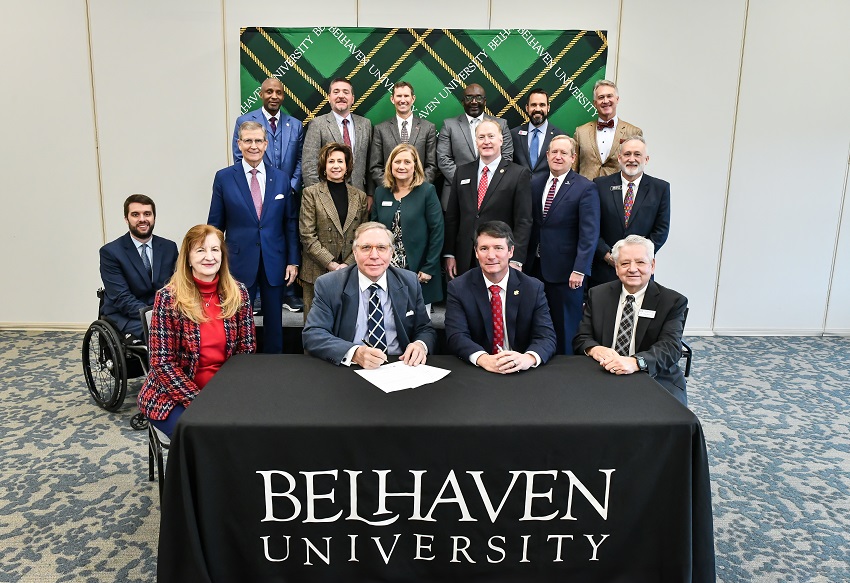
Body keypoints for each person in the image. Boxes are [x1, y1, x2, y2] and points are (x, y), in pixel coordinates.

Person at [138, 224, 256, 437]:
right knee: (204, 436)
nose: (209, 257)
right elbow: (162, 364)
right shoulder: (168, 298)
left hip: (225, 390)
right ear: (188, 258)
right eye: (200, 250)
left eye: (215, 249)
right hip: (173, 395)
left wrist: (227, 395)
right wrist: (200, 401)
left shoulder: (238, 294)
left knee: (255, 430)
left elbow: (246, 352)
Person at [208, 121, 299, 354]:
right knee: (237, 321)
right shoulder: (224, 178)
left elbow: (289, 222)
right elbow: (215, 225)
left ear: (266, 144)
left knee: (274, 324)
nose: (253, 146)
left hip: (274, 260)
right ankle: (240, 369)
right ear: (239, 144)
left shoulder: (280, 178)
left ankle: (274, 370)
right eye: (248, 141)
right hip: (237, 261)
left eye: (258, 140)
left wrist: (292, 261)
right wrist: (213, 262)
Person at [573, 235, 688, 406]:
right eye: (625, 263)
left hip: (653, 375)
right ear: (617, 268)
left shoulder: (672, 301)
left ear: (652, 265)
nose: (632, 269)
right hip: (604, 372)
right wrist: (594, 349)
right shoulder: (598, 295)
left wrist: (635, 362)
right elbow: (582, 337)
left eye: (640, 262)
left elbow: (670, 348)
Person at [302, 222, 436, 369]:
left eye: (381, 248)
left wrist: (420, 345)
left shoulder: (409, 281)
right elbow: (314, 334)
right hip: (351, 367)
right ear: (355, 253)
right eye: (366, 248)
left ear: (391, 253)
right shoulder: (330, 284)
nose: (374, 256)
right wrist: (354, 353)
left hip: (399, 366)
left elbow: (424, 329)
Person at [232, 76, 305, 312]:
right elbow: (238, 156)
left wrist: (290, 186)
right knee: (258, 238)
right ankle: (258, 296)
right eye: (269, 92)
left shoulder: (295, 124)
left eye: (279, 92)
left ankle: (287, 292)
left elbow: (302, 159)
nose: (274, 96)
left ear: (284, 96)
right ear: (261, 94)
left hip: (288, 191)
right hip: (255, 190)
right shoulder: (245, 121)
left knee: (285, 235)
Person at [445, 221, 557, 373]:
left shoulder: (532, 288)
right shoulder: (458, 288)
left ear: (511, 251)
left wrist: (528, 358)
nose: (491, 256)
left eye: (498, 248)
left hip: (521, 370)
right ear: (476, 253)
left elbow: (546, 337)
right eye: (484, 249)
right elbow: (456, 336)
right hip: (478, 370)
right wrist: (484, 359)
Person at [524, 135, 600, 354]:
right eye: (554, 152)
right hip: (535, 268)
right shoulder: (535, 183)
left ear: (573, 158)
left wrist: (580, 269)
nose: (558, 157)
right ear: (547, 155)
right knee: (536, 324)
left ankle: (566, 371)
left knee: (565, 327)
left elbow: (589, 234)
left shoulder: (585, 188)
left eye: (563, 153)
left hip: (567, 273)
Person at [443, 120, 532, 280]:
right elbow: (452, 217)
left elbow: (523, 221)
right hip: (466, 257)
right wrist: (450, 253)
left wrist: (517, 258)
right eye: (481, 137)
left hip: (500, 258)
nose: (486, 141)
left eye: (491, 136)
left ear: (501, 140)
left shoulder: (518, 174)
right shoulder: (462, 172)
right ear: (475, 141)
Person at [590, 136, 670, 287]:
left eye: (637, 154)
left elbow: (661, 230)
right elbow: (592, 227)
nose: (631, 159)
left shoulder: (660, 189)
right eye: (627, 154)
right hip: (604, 270)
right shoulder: (600, 185)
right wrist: (608, 256)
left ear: (646, 159)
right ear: (619, 158)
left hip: (639, 274)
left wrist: (638, 259)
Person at [299, 142, 369, 318]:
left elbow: (363, 236)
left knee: (346, 326)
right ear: (324, 166)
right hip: (317, 272)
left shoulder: (359, 196)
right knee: (315, 327)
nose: (336, 165)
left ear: (347, 166)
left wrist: (346, 265)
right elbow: (307, 235)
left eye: (340, 161)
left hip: (350, 271)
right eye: (331, 161)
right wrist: (331, 264)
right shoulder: (311, 193)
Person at [371, 143, 444, 309]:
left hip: (418, 272)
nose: (401, 166)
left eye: (407, 162)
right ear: (390, 165)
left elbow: (437, 232)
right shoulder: (381, 192)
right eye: (397, 162)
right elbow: (373, 231)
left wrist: (429, 267)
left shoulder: (427, 191)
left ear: (415, 166)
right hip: (385, 271)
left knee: (418, 326)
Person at [99, 194, 178, 342]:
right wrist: (156, 316)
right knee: (160, 333)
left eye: (147, 214)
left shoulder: (169, 247)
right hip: (126, 315)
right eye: (135, 214)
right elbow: (121, 298)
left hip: (162, 312)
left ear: (154, 217)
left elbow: (177, 286)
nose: (142, 219)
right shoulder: (111, 252)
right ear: (126, 219)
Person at [436, 83, 513, 208]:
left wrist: (487, 182)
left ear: (485, 101)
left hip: (493, 194)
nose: (474, 101)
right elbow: (443, 159)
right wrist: (466, 182)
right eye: (469, 97)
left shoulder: (501, 124)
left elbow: (507, 157)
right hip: (456, 194)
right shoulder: (449, 125)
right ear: (462, 102)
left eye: (478, 97)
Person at [302, 78, 373, 199]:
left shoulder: (365, 124)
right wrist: (319, 198)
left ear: (352, 98)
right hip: (327, 196)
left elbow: (371, 162)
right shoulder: (317, 124)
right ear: (329, 97)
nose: (341, 96)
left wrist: (370, 194)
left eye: (346, 92)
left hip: (359, 197)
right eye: (336, 92)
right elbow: (309, 165)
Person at [369, 81, 437, 186]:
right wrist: (391, 188)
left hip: (419, 192)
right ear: (392, 99)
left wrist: (419, 188)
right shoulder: (380, 129)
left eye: (406, 96)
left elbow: (431, 166)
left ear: (413, 99)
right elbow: (375, 166)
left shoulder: (428, 128)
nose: (402, 100)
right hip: (390, 192)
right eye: (399, 96)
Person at [573, 80, 643, 180]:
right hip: (585, 193)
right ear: (595, 103)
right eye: (601, 97)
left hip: (617, 193)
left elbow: (637, 171)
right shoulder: (580, 132)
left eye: (609, 96)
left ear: (617, 99)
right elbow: (573, 169)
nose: (606, 101)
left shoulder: (633, 132)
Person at [510, 88, 565, 185]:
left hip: (548, 195)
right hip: (518, 194)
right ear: (527, 108)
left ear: (548, 107)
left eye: (542, 105)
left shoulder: (561, 137)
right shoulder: (513, 134)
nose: (538, 109)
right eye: (533, 105)